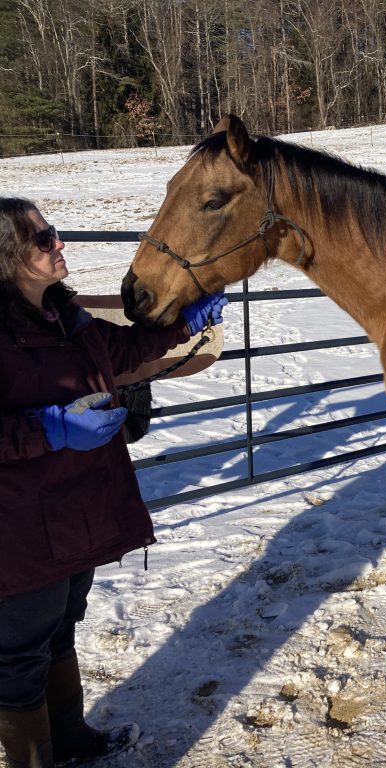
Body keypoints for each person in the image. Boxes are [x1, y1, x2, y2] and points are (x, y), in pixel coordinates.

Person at [0, 197, 227, 767]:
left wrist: (183, 324)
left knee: (60, 629)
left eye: (54, 232)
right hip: (20, 528)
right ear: (8, 257)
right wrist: (49, 429)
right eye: (43, 239)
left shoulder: (63, 314)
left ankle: (70, 740)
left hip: (77, 512)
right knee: (19, 653)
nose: (59, 244)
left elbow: (124, 349)